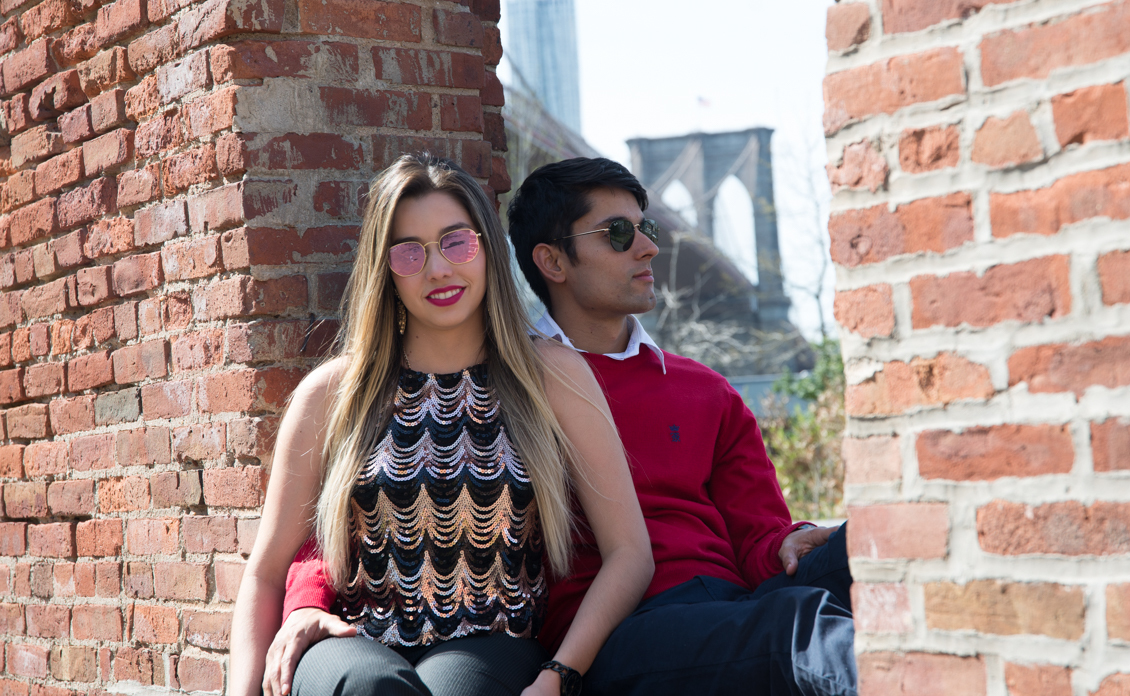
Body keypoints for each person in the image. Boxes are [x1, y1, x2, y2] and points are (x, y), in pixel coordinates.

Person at [272, 158, 856, 696]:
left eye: (646, 227)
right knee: (793, 628)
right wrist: (304, 599)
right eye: (619, 234)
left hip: (728, 604)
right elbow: (369, 507)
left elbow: (758, 534)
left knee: (872, 547)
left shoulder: (705, 389)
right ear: (550, 260)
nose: (650, 248)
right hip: (632, 625)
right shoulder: (530, 384)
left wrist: (784, 542)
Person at [228, 155, 653, 696]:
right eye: (409, 252)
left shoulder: (554, 376)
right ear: (384, 269)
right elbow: (265, 573)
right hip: (350, 642)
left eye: (457, 242)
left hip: (494, 644)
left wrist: (560, 674)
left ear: (487, 249)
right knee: (373, 687)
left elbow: (629, 554)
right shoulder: (331, 393)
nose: (438, 269)